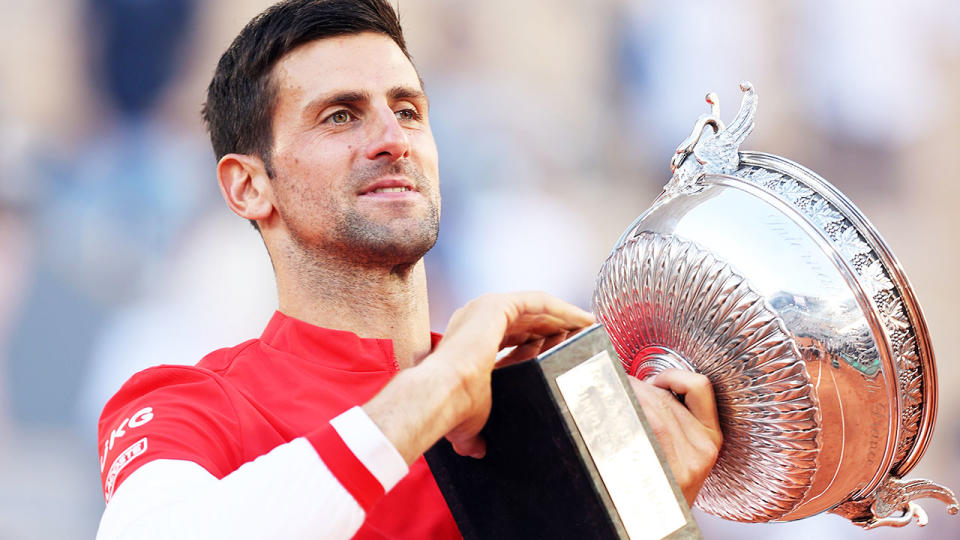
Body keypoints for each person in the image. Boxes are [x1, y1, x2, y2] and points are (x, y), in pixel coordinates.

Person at [95, 1, 723, 538]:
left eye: (408, 109)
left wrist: (649, 512)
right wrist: (440, 384)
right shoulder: (195, 403)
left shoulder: (531, 406)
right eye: (340, 114)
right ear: (249, 185)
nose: (393, 138)